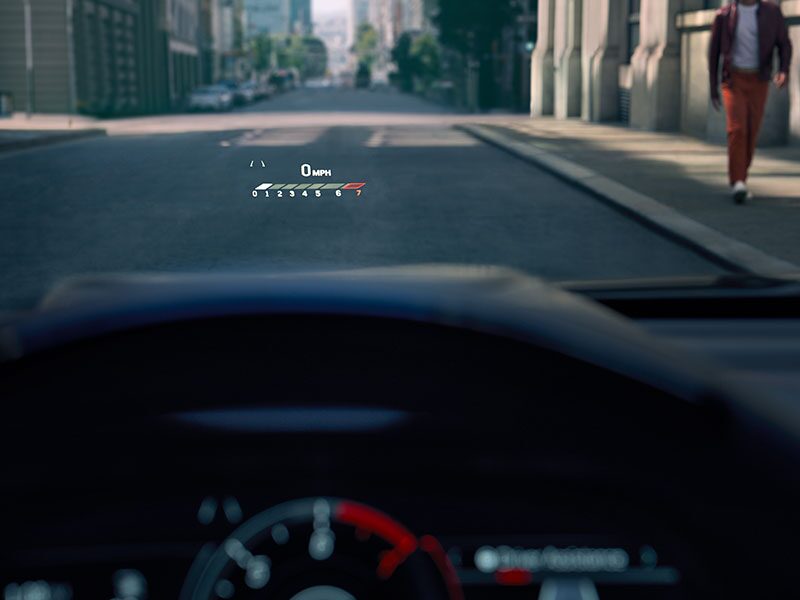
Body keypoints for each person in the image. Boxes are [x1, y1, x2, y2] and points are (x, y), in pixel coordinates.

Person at [708, 0, 792, 204]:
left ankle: (741, 176)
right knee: (737, 129)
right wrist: (713, 88)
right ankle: (737, 181)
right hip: (733, 80)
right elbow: (713, 54)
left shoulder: (772, 13)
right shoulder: (724, 15)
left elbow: (784, 43)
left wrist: (783, 70)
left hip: (759, 80)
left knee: (752, 131)